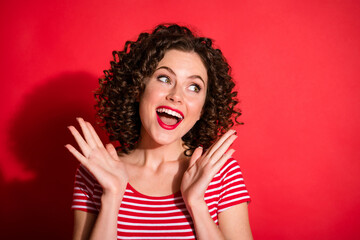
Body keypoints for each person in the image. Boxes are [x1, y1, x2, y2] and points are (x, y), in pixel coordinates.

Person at [66, 24, 253, 240]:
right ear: (138, 88)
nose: (176, 95)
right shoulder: (97, 170)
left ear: (203, 109)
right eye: (164, 78)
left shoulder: (220, 173)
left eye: (194, 87)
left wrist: (197, 204)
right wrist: (112, 197)